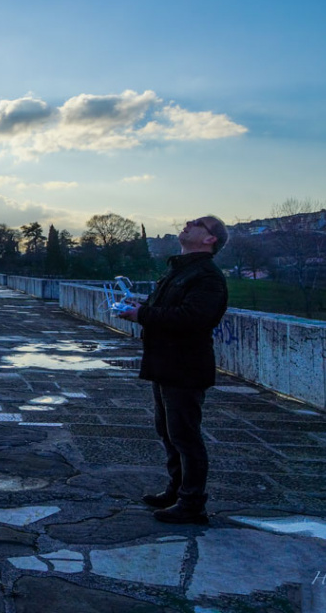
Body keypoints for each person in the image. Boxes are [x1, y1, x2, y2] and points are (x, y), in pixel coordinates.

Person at [117, 215, 229, 525]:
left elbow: (193, 318)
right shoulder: (180, 270)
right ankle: (176, 490)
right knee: (168, 432)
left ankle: (193, 503)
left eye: (199, 224)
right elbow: (168, 308)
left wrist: (143, 314)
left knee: (185, 435)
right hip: (165, 362)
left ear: (210, 240)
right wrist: (141, 305)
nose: (188, 223)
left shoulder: (207, 276)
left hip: (186, 366)